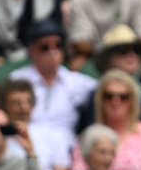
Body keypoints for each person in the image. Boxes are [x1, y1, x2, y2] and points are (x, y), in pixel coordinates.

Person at [69, 70, 141, 170]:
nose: (116, 101)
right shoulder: (87, 138)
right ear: (101, 100)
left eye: (123, 97)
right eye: (109, 96)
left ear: (132, 101)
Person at [9, 19, 96, 151]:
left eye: (58, 45)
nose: (53, 50)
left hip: (66, 151)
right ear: (31, 50)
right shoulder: (17, 80)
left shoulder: (77, 82)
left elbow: (108, 89)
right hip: (27, 146)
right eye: (45, 47)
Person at [0, 78, 72, 170]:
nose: (24, 107)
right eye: (16, 103)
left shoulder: (53, 135)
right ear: (4, 106)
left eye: (28, 102)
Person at [78, 25, 141, 128]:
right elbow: (91, 128)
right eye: (123, 51)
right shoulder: (101, 93)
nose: (131, 55)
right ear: (110, 58)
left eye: (136, 50)